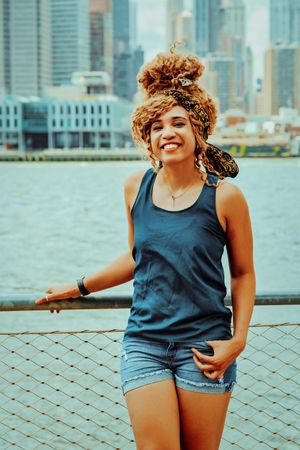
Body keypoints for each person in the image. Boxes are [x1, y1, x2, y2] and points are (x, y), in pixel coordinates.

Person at [35, 46, 256, 450]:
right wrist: (76, 287)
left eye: (178, 123)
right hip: (145, 342)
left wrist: (238, 341)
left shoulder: (225, 197)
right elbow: (138, 257)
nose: (167, 133)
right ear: (147, 139)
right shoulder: (135, 187)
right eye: (155, 127)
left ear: (198, 131)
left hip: (206, 347)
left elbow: (242, 273)